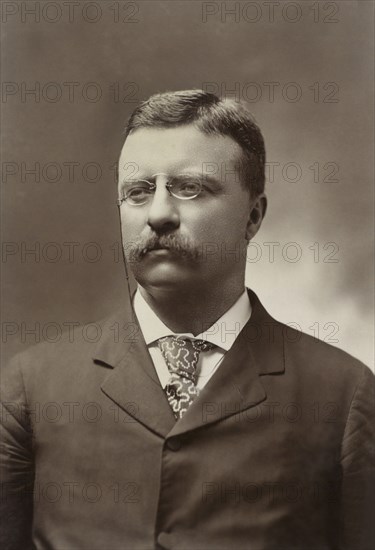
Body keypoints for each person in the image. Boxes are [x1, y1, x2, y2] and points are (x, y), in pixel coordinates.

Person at [1, 90, 374, 550]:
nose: (158, 213)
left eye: (189, 188)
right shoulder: (32, 388)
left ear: (253, 216)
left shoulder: (342, 394)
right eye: (138, 192)